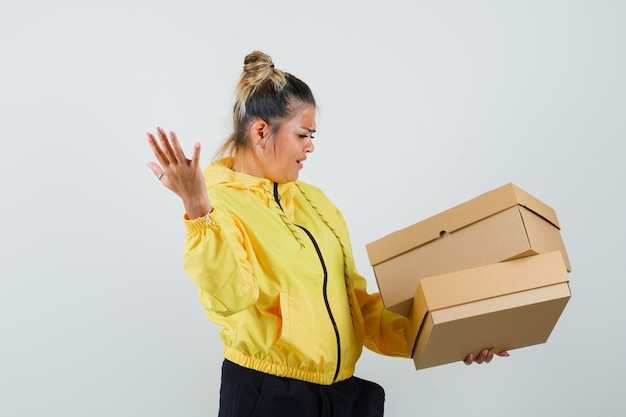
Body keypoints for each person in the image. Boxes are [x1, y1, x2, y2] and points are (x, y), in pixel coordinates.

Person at [146, 51, 507, 417]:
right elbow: (230, 295)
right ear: (260, 132)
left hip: (340, 397)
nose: (310, 146)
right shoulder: (217, 203)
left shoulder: (316, 204)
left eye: (312, 136)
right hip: (270, 396)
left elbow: (359, 308)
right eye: (303, 134)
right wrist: (197, 207)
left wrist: (448, 335)